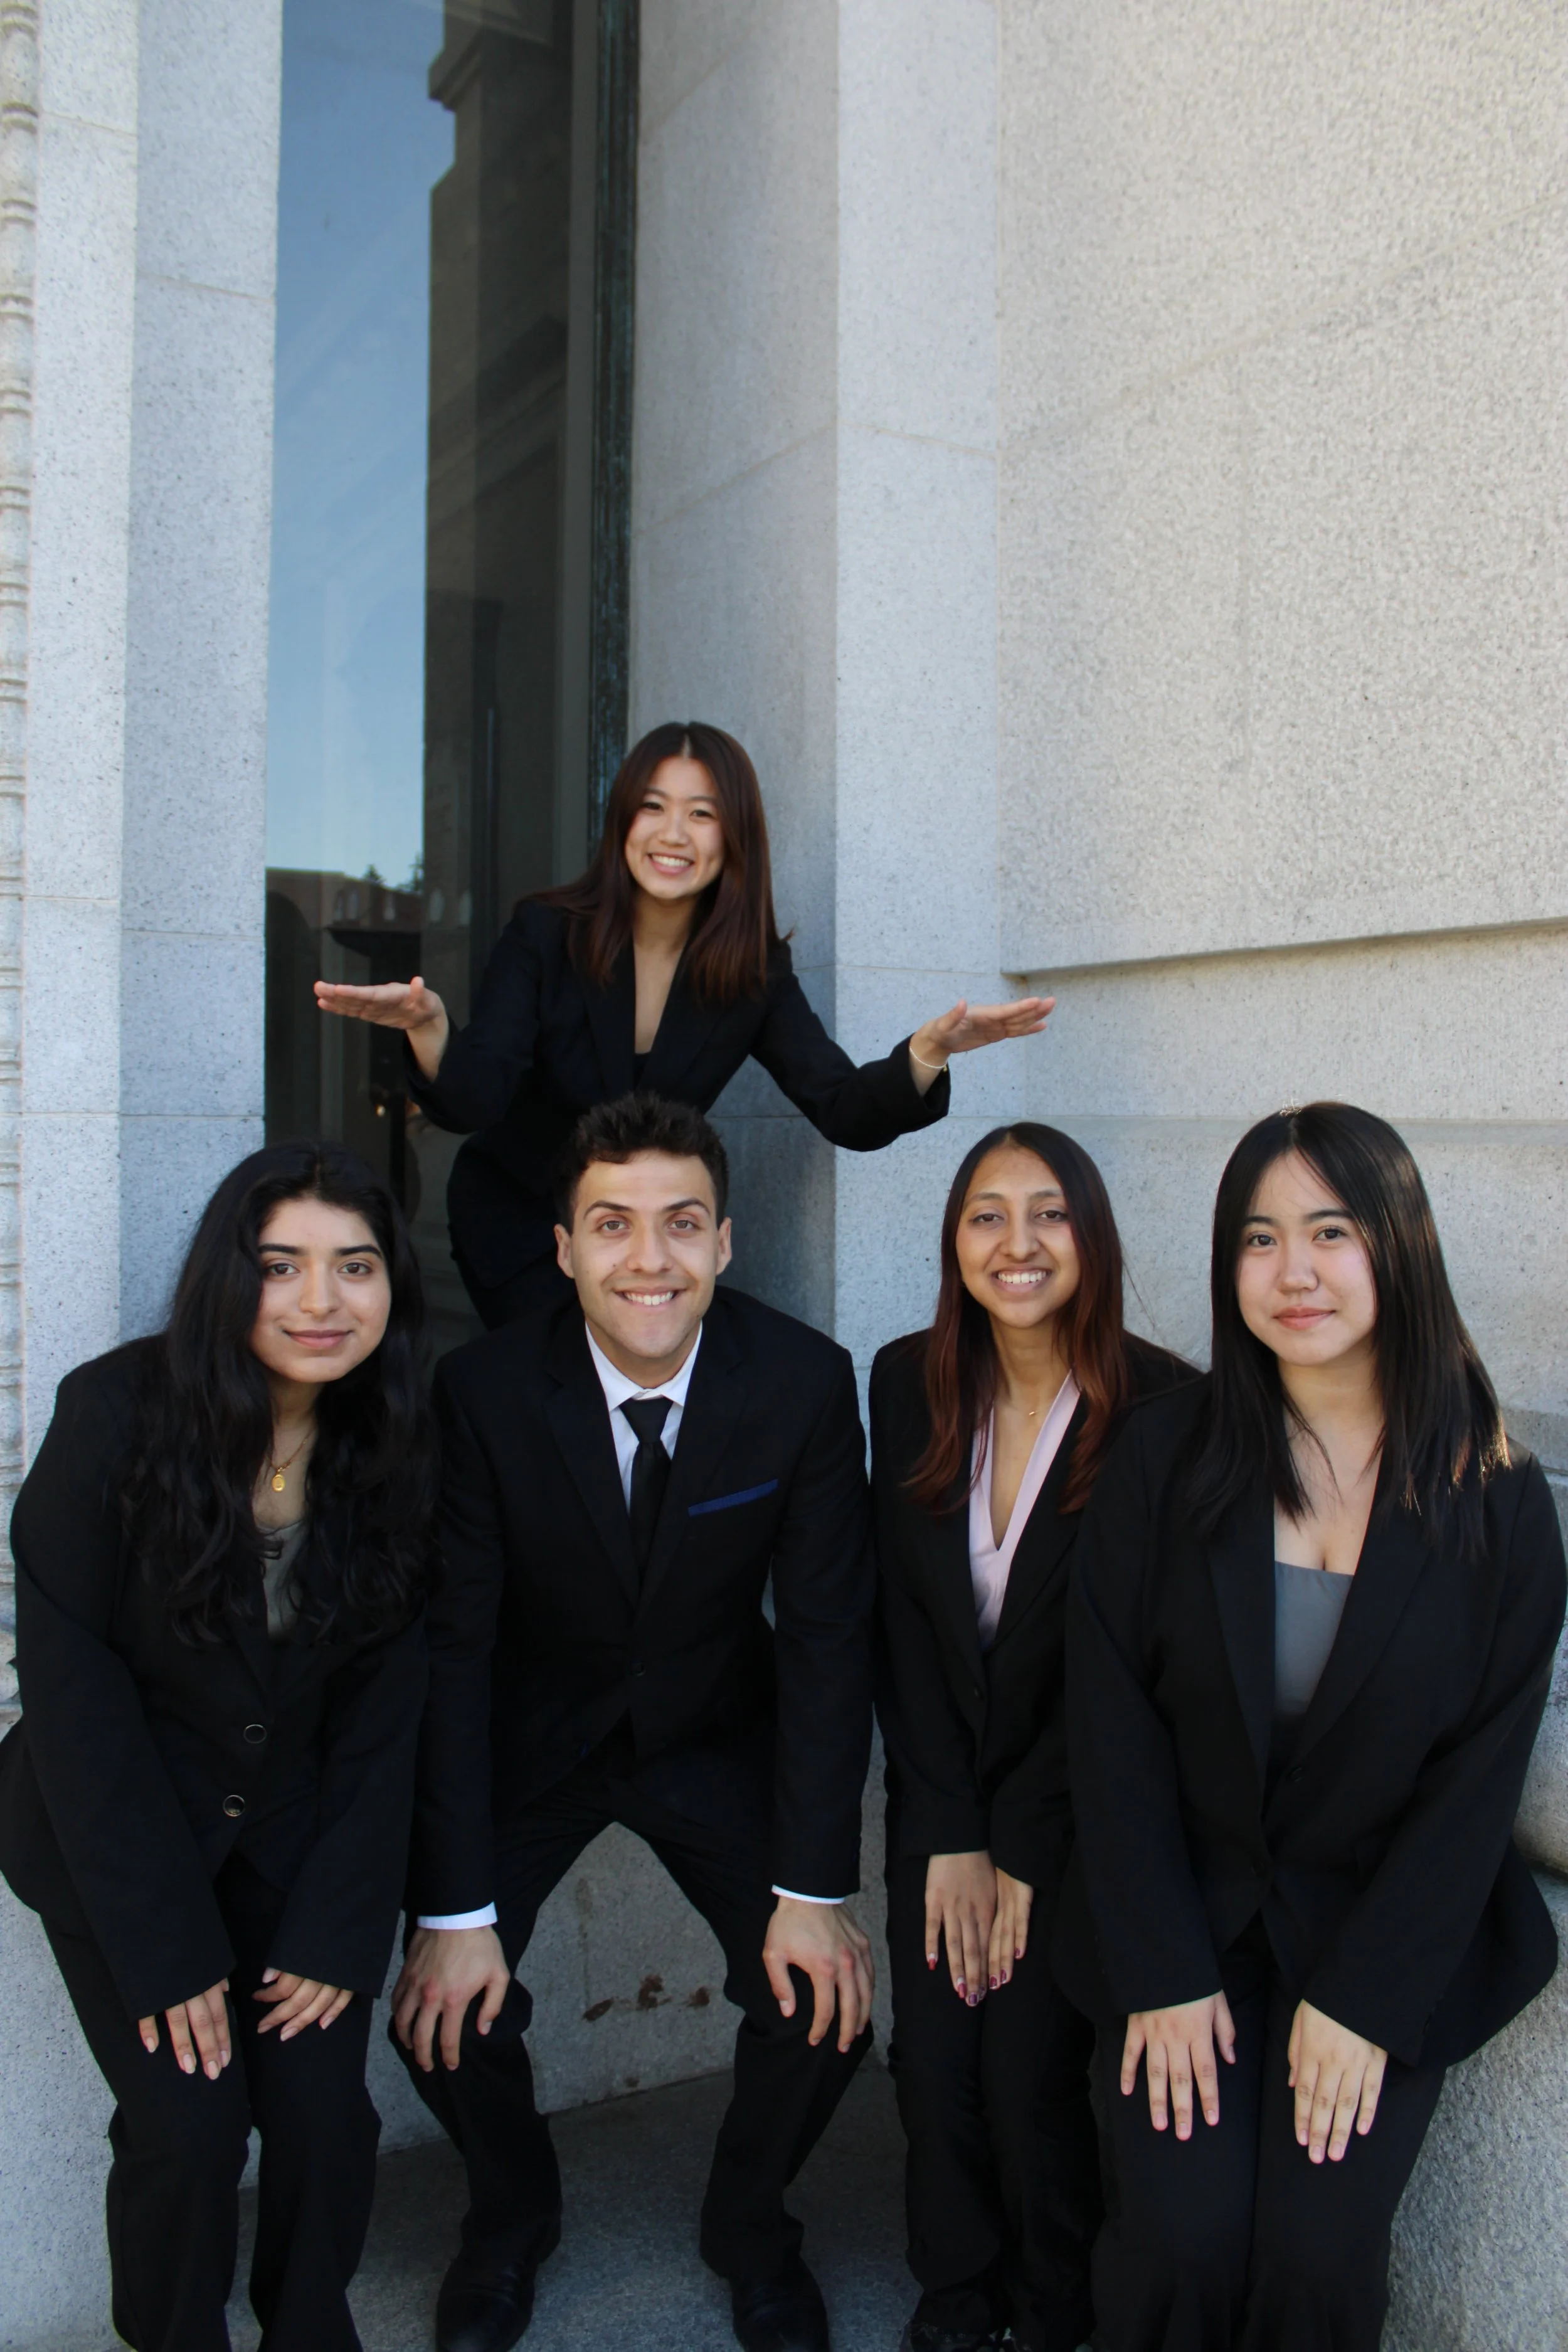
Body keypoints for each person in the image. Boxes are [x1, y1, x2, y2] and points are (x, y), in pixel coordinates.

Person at [1053, 1101, 1567, 2352]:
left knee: (1315, 2250)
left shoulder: (1493, 1504)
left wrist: (1364, 2003)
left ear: (1397, 1244)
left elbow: (1473, 1785)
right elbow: (1107, 1725)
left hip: (1378, 1933)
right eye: (1257, 1238)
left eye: (1327, 1232)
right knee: (1178, 2231)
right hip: (1183, 1918)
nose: (1292, 1273)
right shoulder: (1166, 1460)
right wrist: (1162, 1975)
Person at [391, 1091, 878, 2352]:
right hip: (529, 1734)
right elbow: (454, 1649)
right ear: (563, 1249)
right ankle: (508, 2219)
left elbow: (826, 1643)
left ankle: (749, 2227)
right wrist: (452, 1914)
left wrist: (815, 1887)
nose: (647, 1259)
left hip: (717, 1729)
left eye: (680, 1225)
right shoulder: (486, 1391)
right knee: (441, 2005)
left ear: (724, 1240)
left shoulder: (804, 1385)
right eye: (611, 1225)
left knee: (824, 2003)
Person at [0, 1142, 435, 2352]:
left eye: (355, 1266)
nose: (319, 1301)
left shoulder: (399, 1440)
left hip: (299, 1843)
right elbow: (75, 1696)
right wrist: (167, 1948)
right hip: (127, 1844)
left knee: (321, 2116)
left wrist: (342, 1928)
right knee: (189, 2132)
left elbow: (387, 1708)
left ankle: (309, 2328)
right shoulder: (114, 1411)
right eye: (280, 1264)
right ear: (224, 1278)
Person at [314, 721, 1054, 1327]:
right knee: (550, 1403)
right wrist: (429, 1025)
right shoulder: (545, 932)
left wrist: (928, 1050)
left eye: (701, 814)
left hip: (652, 1243)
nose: (674, 833)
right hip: (524, 1227)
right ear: (623, 820)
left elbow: (844, 1108)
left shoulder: (751, 968)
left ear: (734, 838)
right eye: (653, 806)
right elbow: (477, 1098)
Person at [871, 1124, 1192, 2352]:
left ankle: (1051, 2311)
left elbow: (1136, 1672)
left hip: (1081, 1805)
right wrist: (951, 1829)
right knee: (934, 2069)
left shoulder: (1164, 1406)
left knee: (1026, 2076)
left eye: (1048, 1213)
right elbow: (903, 1623)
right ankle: (955, 2301)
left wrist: (1021, 1843)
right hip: (941, 1799)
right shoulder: (904, 1382)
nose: (1017, 1243)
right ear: (953, 1244)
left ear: (1091, 1236)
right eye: (985, 1215)